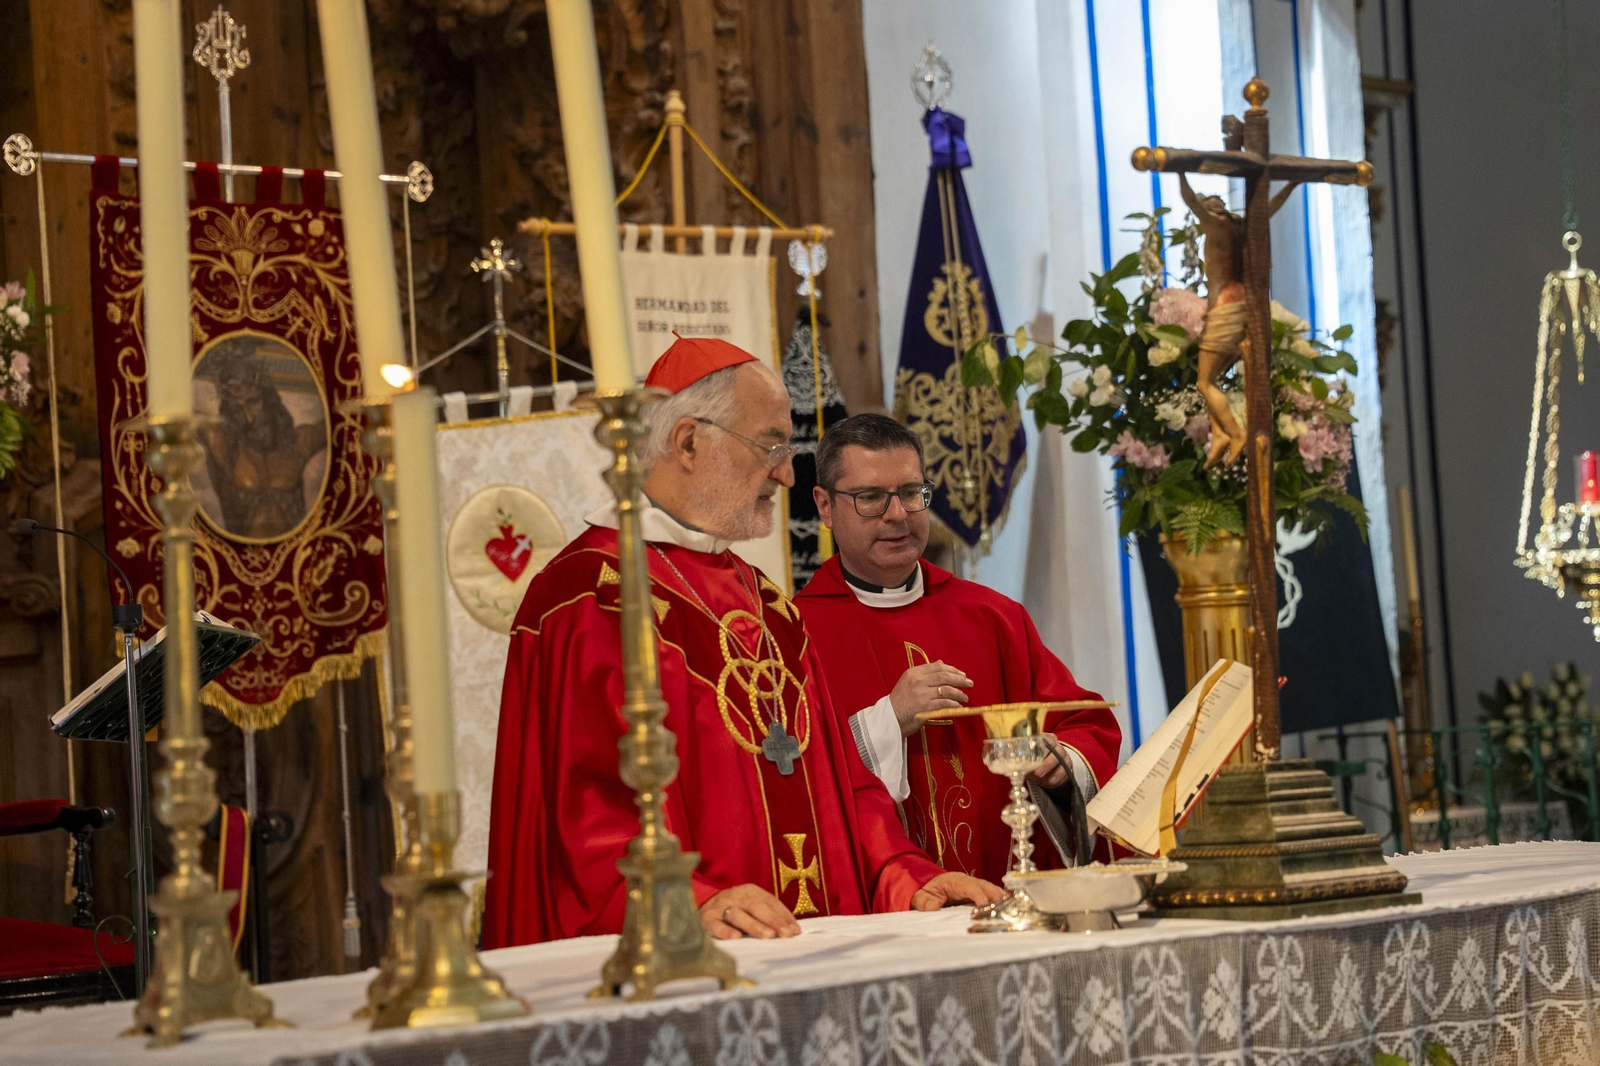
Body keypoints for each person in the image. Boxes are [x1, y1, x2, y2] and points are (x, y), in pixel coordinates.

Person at [482, 337, 1002, 948]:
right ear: (688, 442)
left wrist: (905, 876)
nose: (786, 472)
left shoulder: (769, 605)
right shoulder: (589, 598)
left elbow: (841, 786)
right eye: (772, 444)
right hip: (683, 961)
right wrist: (686, 903)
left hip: (809, 952)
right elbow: (580, 816)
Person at [796, 414, 1122, 882]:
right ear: (825, 507)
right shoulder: (794, 633)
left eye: (911, 493)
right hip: (881, 911)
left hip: (1006, 891)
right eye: (870, 498)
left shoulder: (991, 617)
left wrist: (1060, 760)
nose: (897, 515)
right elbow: (789, 776)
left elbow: (1083, 722)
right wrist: (888, 718)